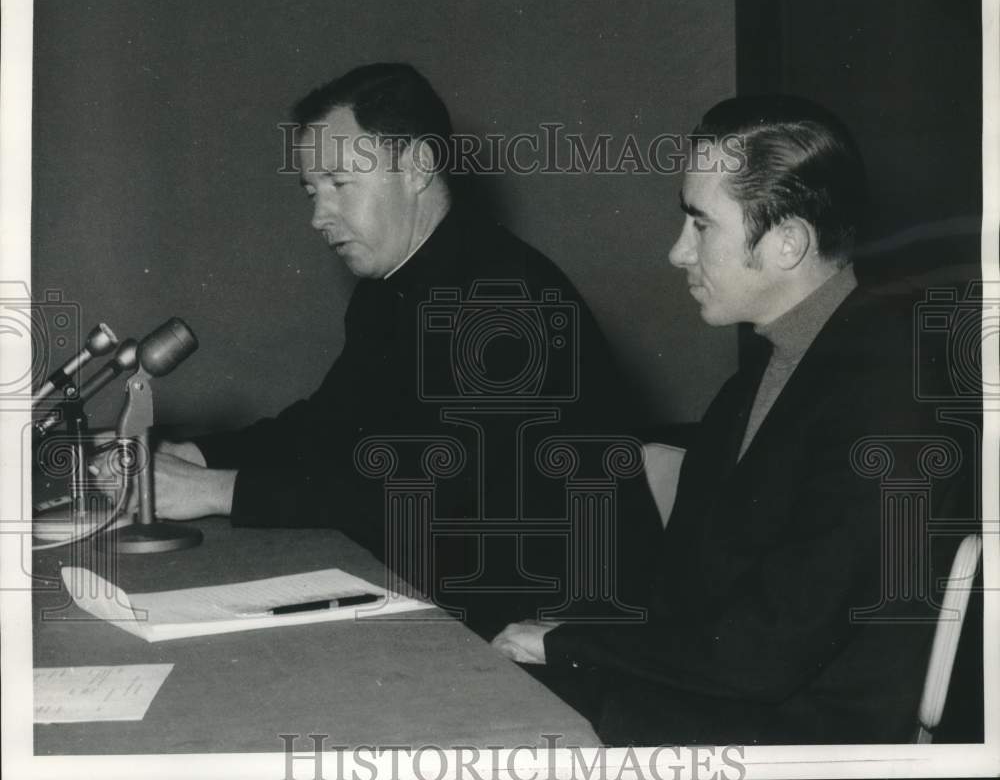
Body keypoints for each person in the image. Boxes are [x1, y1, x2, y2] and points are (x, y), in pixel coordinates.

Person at [113, 63, 661, 638]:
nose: (319, 217)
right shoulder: (392, 288)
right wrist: (191, 455)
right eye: (311, 190)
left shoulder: (506, 297)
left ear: (418, 167)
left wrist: (217, 491)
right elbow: (325, 427)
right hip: (453, 596)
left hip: (553, 627)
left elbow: (436, 493)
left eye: (339, 183)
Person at [491, 95, 976, 744]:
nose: (677, 253)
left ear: (787, 243)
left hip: (808, 739)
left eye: (700, 225)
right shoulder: (764, 375)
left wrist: (570, 644)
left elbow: (765, 652)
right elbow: (688, 601)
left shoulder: (890, 394)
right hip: (731, 701)